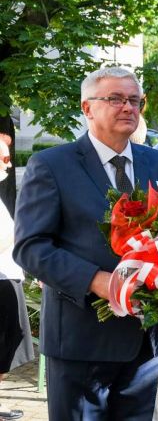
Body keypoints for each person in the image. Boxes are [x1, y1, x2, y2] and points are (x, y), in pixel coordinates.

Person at [13, 67, 158, 421]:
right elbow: (30, 247)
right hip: (81, 341)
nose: (128, 107)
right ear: (87, 108)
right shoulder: (51, 165)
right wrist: (98, 281)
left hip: (144, 343)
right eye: (115, 99)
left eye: (135, 100)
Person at [0, 133, 33, 421]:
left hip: (7, 278)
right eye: (5, 159)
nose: (9, 166)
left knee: (6, 347)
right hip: (1, 281)